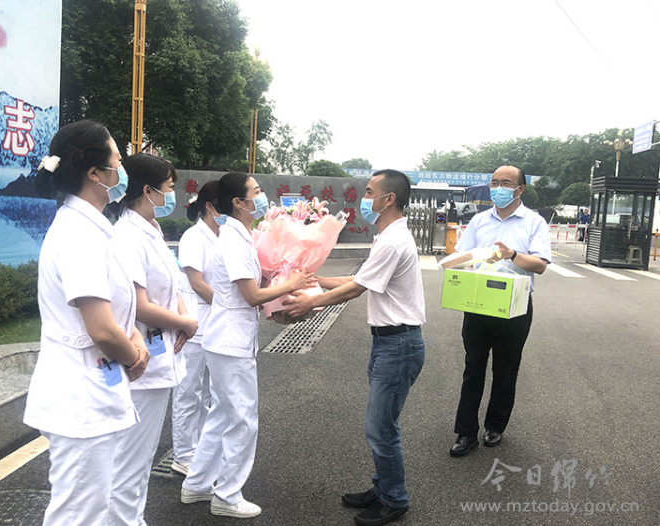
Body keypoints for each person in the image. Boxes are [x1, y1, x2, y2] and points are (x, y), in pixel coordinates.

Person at [24, 119, 150, 526]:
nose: (122, 169)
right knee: (79, 514)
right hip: (80, 397)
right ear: (95, 173)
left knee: (91, 508)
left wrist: (133, 334)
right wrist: (134, 354)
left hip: (92, 390)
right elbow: (100, 328)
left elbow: (114, 308)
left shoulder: (91, 227)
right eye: (117, 161)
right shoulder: (78, 233)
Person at [284, 169, 426, 526]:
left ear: (388, 199)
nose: (364, 199)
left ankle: (395, 499)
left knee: (380, 428)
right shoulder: (388, 236)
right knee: (382, 425)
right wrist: (315, 280)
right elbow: (359, 278)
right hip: (389, 342)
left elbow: (355, 289)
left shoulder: (393, 240)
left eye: (369, 192)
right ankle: (383, 487)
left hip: (399, 345)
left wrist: (311, 302)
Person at [180, 172, 316, 519]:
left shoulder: (238, 236)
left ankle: (197, 484)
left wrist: (280, 285)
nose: (262, 196)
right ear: (239, 203)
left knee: (222, 413)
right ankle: (227, 495)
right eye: (256, 192)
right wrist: (292, 284)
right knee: (242, 419)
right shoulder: (233, 241)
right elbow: (251, 295)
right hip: (230, 342)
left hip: (227, 338)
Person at [109, 153, 198, 525]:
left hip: (161, 356)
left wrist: (183, 318)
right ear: (148, 191)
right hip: (141, 360)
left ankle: (132, 519)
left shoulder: (152, 230)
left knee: (140, 458)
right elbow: (140, 305)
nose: (172, 195)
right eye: (169, 188)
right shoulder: (127, 236)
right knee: (128, 460)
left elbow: (172, 283)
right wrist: (186, 323)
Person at [447, 165, 551, 457]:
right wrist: (459, 263)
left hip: (515, 306)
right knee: (473, 367)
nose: (498, 188)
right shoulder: (479, 221)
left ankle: (495, 425)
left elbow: (540, 265)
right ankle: (466, 432)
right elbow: (462, 256)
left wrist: (511, 255)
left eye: (505, 183)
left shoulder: (533, 222)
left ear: (520, 189)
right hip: (478, 303)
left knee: (506, 369)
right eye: (494, 183)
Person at [171, 181, 220, 475]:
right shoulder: (193, 237)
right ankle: (184, 455)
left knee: (209, 394)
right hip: (195, 325)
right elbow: (198, 284)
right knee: (189, 392)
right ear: (211, 207)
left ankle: (202, 450)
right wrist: (230, 306)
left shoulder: (223, 236)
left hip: (216, 325)